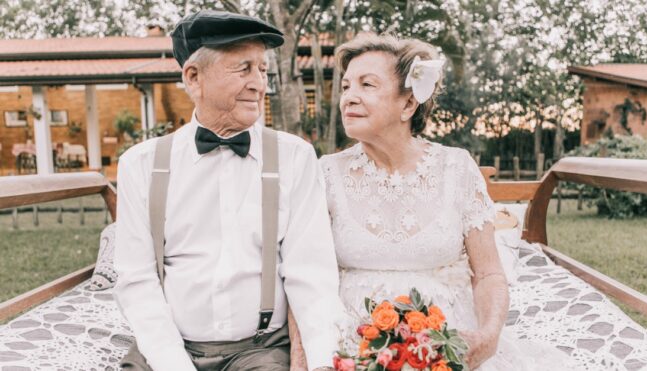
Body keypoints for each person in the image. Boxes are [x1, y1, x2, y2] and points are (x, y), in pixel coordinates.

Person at [320, 33, 572, 370]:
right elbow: (305, 275)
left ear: (408, 104)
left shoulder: (457, 168)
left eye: (367, 85)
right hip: (353, 352)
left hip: (447, 349)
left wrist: (488, 336)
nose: (349, 97)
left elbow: (488, 275)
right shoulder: (325, 174)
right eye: (347, 86)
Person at [114, 10, 340, 371]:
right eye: (243, 68)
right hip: (169, 346)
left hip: (260, 351)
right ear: (193, 77)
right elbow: (136, 280)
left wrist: (323, 361)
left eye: (263, 70)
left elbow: (311, 275)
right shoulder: (140, 165)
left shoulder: (294, 157)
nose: (259, 84)